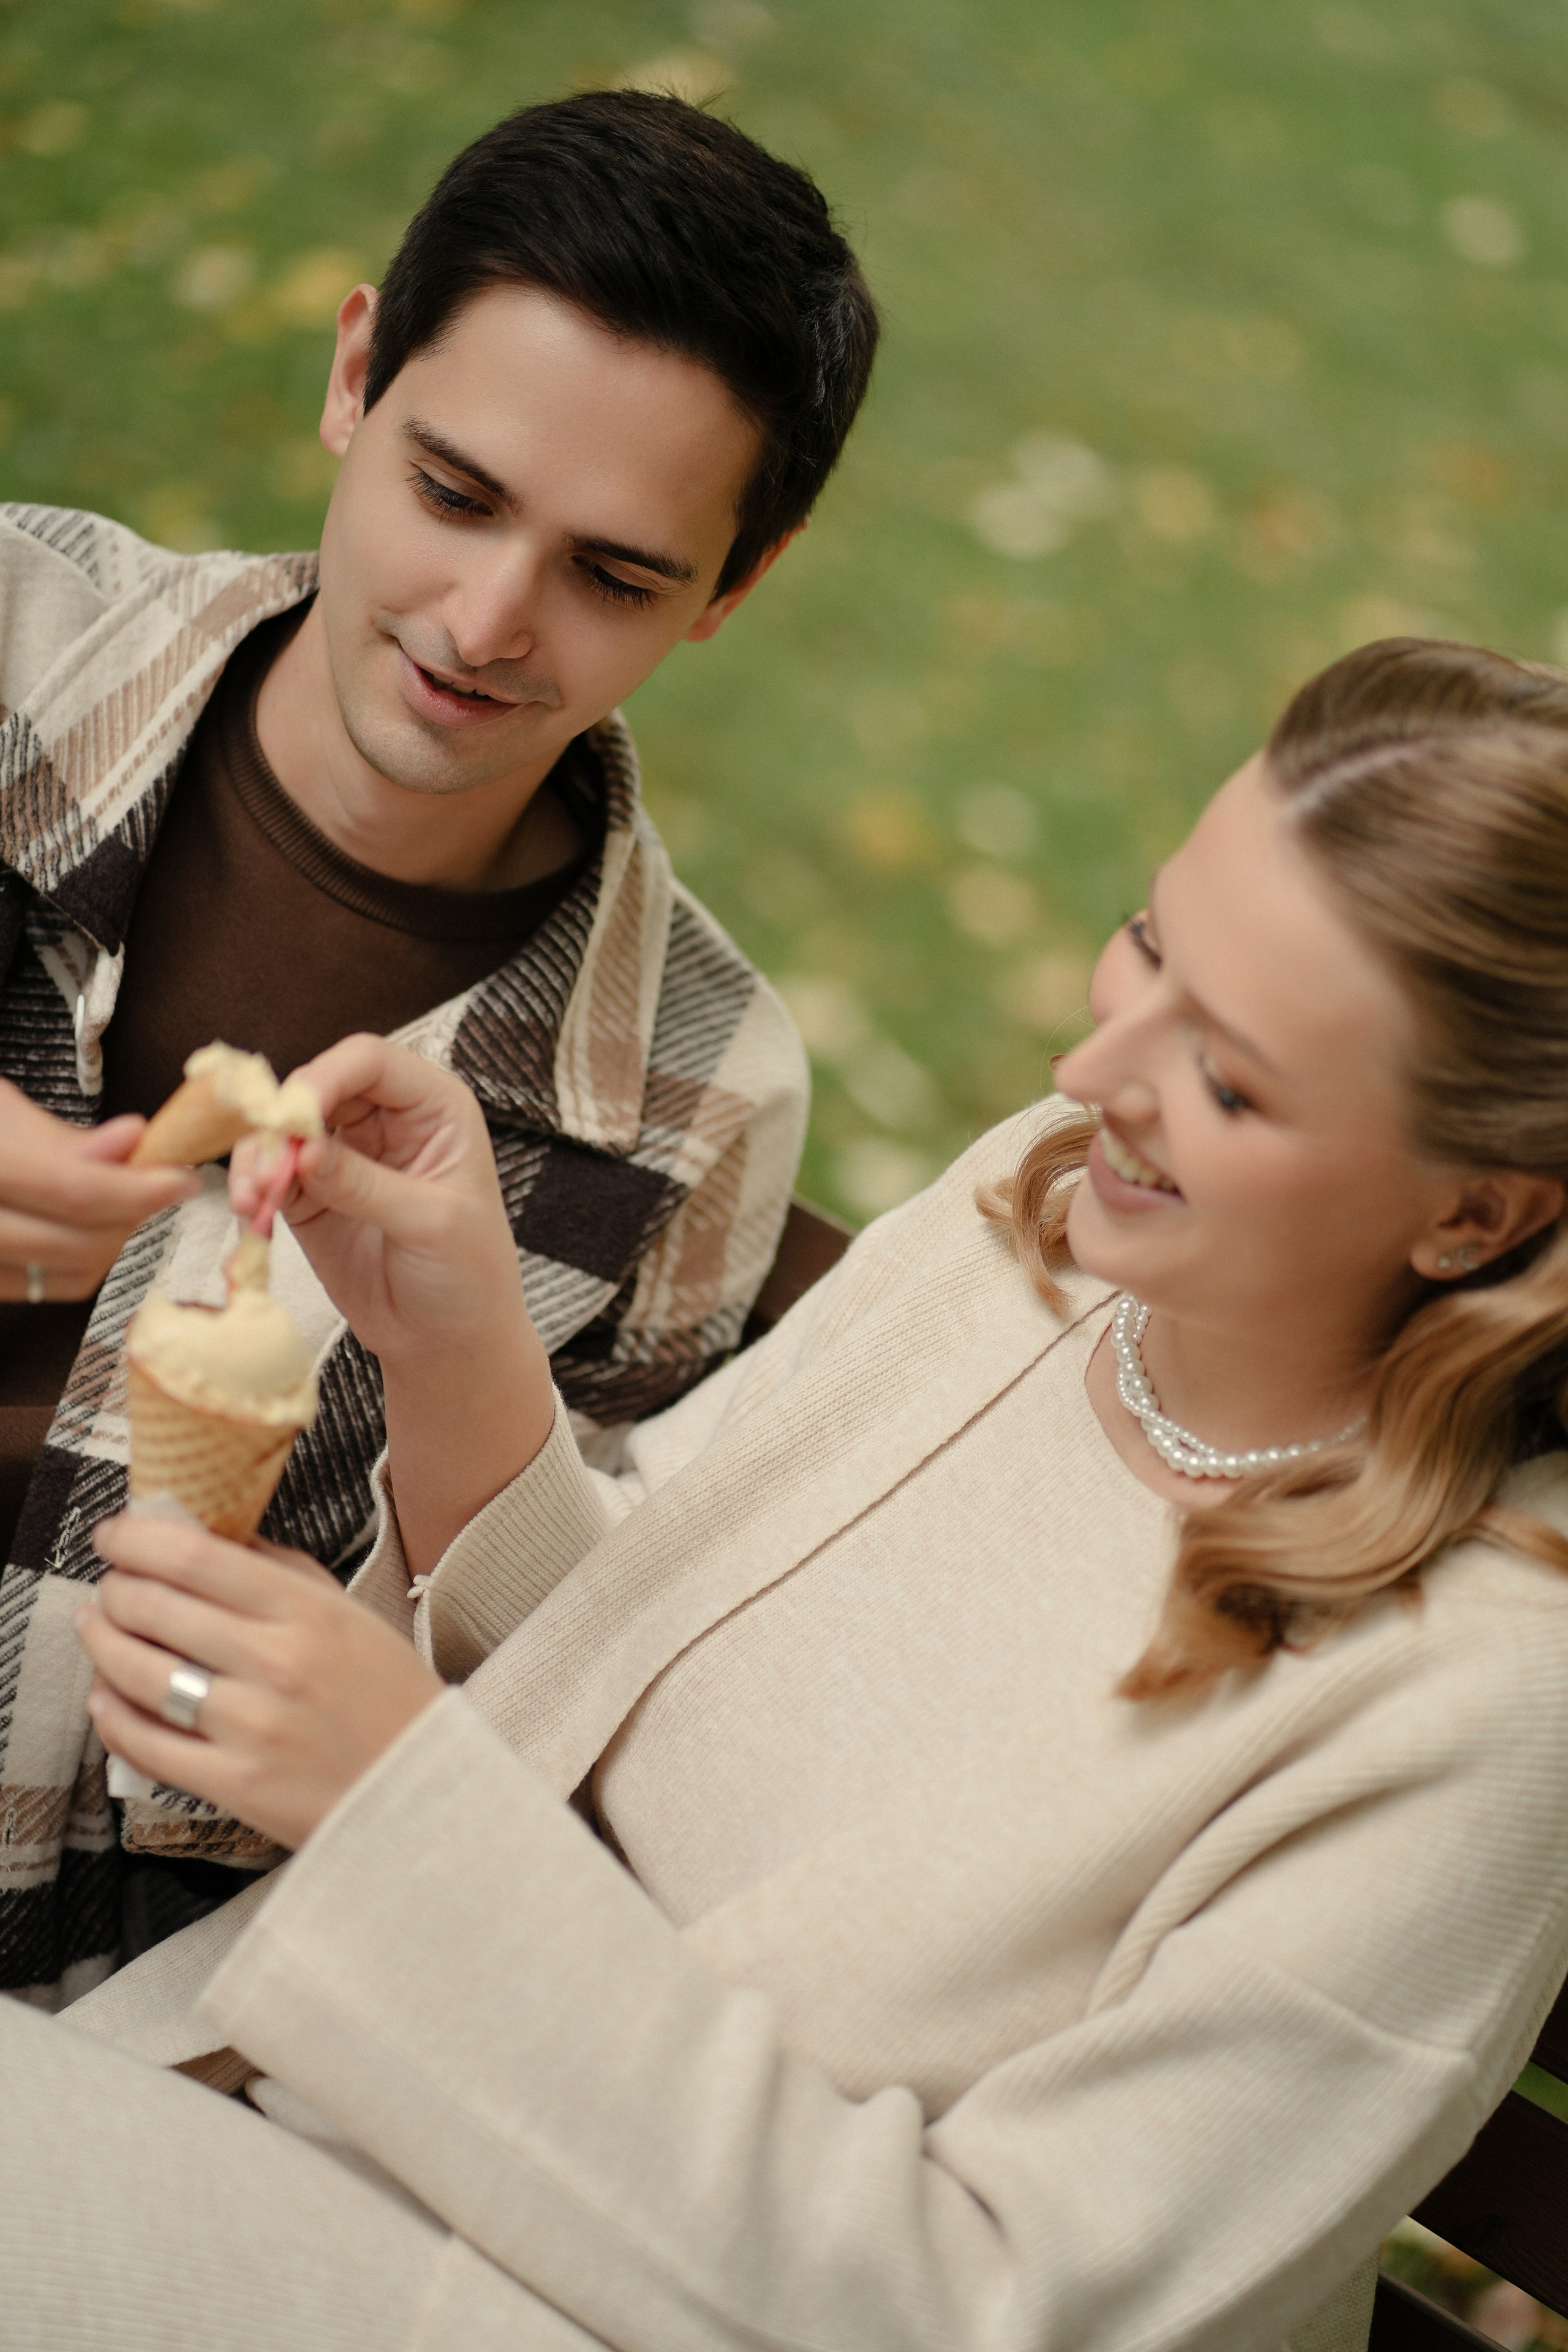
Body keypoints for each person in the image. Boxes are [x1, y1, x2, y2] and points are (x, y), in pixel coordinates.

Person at [13, 633, 1568, 2352]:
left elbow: (992, 2316)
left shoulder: (1485, 1708)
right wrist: (458, 1350)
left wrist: (397, 1814)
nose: (1089, 1071)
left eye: (1233, 1077)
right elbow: (650, 1715)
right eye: (1151, 943)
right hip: (346, 2142)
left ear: (1476, 1217)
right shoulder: (1044, 1246)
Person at [0, 89, 879, 1997]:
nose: (487, 623)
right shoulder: (12, 637)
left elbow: (568, 1718)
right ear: (352, 376)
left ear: (740, 586)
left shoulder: (697, 1101)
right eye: (456, 493)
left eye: (616, 575)